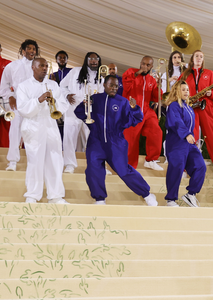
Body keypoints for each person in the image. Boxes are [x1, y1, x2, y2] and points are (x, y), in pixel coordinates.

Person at [74, 75, 158, 206]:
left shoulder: (123, 102)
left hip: (116, 142)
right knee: (93, 169)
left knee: (124, 170)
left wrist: (135, 109)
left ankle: (147, 194)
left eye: (116, 86)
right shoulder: (95, 99)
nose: (114, 88)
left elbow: (135, 120)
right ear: (104, 85)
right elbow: (79, 112)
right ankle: (100, 199)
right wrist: (84, 105)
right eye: (111, 85)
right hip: (96, 140)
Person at [15, 57, 72, 204]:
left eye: (46, 66)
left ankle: (56, 196)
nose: (45, 68)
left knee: (55, 160)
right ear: (33, 67)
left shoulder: (53, 84)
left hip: (51, 125)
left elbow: (64, 105)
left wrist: (54, 101)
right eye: (41, 66)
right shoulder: (24, 86)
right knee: (35, 161)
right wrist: (38, 100)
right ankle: (33, 195)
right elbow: (22, 109)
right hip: (33, 126)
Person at [182, 50, 213, 180]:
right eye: (196, 56)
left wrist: (210, 94)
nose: (199, 58)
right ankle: (185, 169)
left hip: (206, 107)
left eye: (201, 56)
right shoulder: (185, 74)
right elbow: (178, 89)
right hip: (190, 108)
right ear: (192, 58)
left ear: (203, 60)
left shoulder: (209, 73)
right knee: (190, 137)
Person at [163, 81, 207, 207]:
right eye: (183, 90)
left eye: (187, 89)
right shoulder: (173, 106)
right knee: (176, 167)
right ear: (177, 91)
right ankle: (171, 199)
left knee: (200, 166)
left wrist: (191, 138)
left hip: (189, 143)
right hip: (176, 142)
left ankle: (191, 194)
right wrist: (186, 134)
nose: (186, 92)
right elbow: (176, 122)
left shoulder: (189, 108)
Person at [60, 52, 104, 173]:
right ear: (86, 60)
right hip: (73, 110)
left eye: (96, 59)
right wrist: (67, 95)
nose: (94, 61)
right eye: (91, 59)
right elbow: (62, 86)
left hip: (90, 112)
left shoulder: (101, 77)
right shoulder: (75, 71)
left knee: (93, 140)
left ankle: (95, 165)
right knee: (69, 138)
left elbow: (102, 95)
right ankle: (69, 164)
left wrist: (95, 101)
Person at [1, 39, 40, 171]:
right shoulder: (12, 66)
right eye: (29, 48)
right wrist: (10, 97)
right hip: (18, 102)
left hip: (34, 103)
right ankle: (12, 161)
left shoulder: (40, 65)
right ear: (23, 51)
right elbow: (4, 85)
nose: (32, 51)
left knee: (34, 131)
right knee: (15, 130)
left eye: (34, 49)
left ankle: (34, 161)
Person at [123, 56, 164, 171]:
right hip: (132, 111)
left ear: (151, 67)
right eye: (143, 64)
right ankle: (129, 167)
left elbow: (157, 98)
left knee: (156, 131)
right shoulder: (131, 72)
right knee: (131, 140)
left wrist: (159, 85)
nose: (144, 67)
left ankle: (150, 160)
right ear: (140, 63)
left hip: (147, 111)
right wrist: (138, 73)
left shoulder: (151, 80)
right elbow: (126, 86)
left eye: (148, 65)